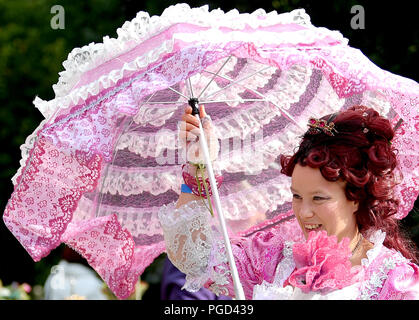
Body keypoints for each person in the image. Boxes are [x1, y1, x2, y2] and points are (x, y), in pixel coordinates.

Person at [158, 104, 419, 300]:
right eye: (297, 196)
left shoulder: (394, 282)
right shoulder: (272, 260)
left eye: (318, 198)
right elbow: (193, 258)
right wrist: (199, 165)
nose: (304, 212)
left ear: (357, 199)